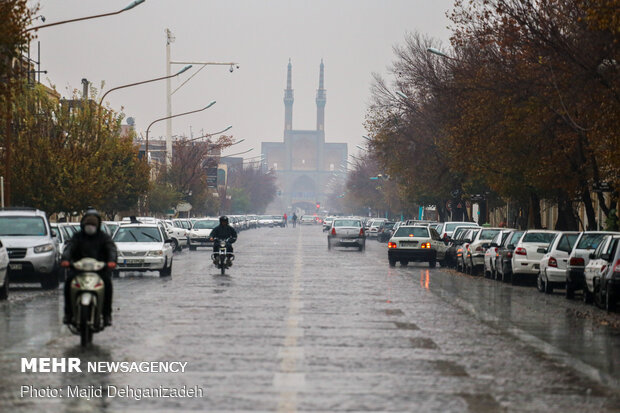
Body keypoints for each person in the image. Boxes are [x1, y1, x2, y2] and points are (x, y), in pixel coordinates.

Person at [61, 209, 117, 326]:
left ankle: (106, 315)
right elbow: (69, 248)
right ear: (83, 224)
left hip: (99, 270)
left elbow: (111, 249)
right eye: (88, 224)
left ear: (97, 225)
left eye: (93, 225)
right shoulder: (77, 237)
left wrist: (111, 261)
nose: (90, 227)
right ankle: (69, 313)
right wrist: (66, 260)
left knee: (107, 284)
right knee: (68, 283)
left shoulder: (103, 238)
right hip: (79, 269)